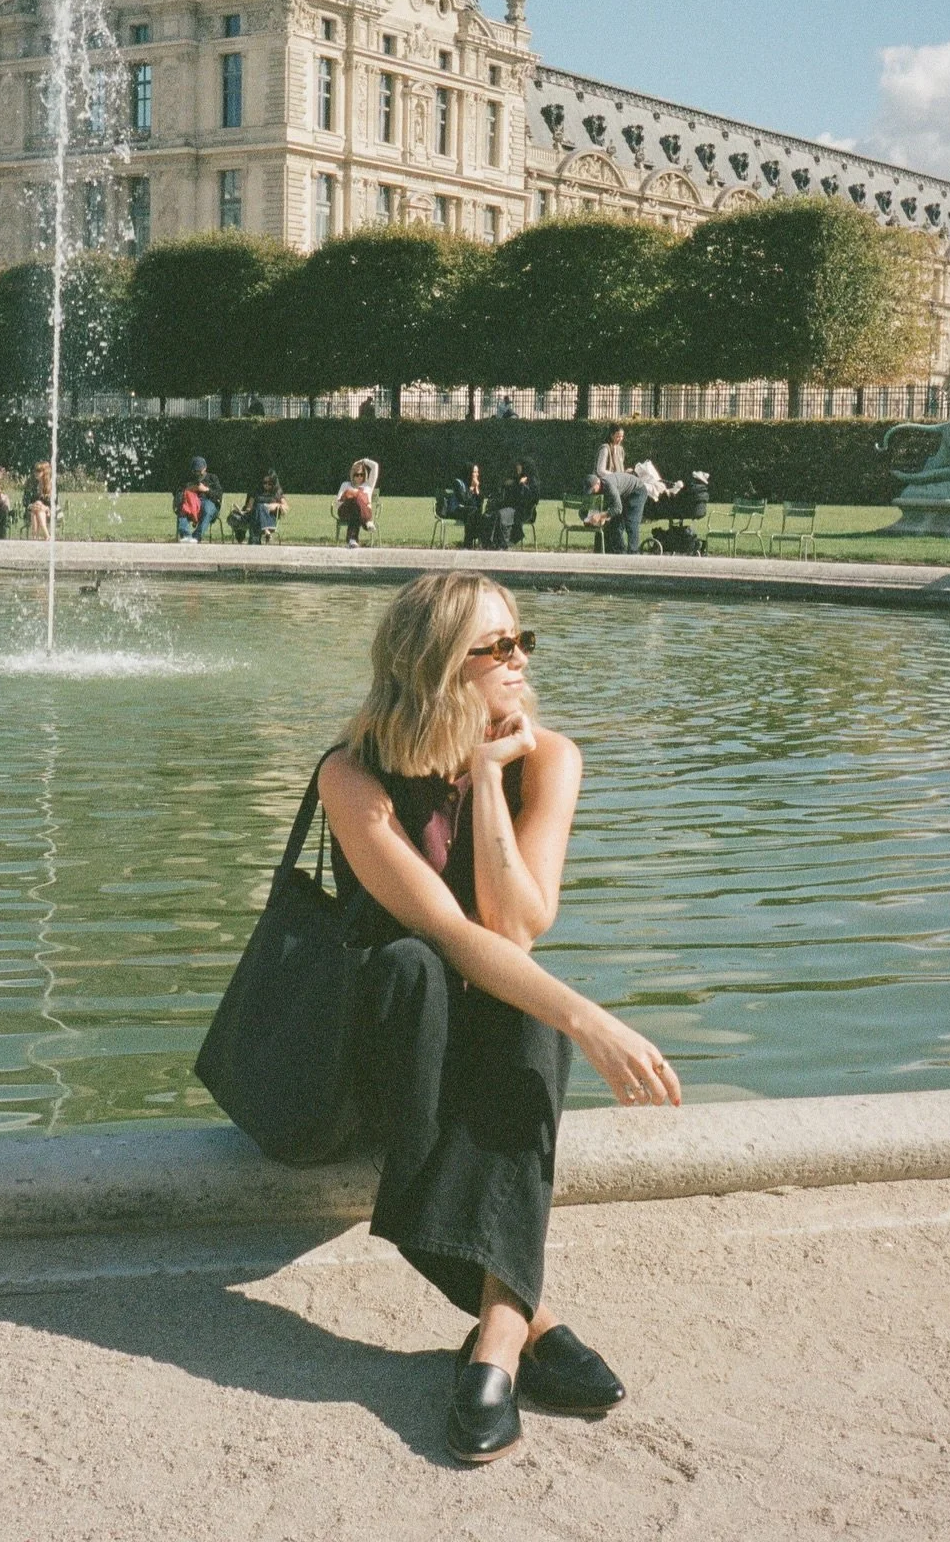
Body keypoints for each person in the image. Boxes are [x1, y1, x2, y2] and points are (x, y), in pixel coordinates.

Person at [317, 572, 680, 1465]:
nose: (520, 660)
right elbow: (442, 931)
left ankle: (498, 1345)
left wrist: (485, 781)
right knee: (419, 962)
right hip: (374, 1045)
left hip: (477, 1044)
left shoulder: (548, 759)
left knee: (528, 1006)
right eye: (497, 647)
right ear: (438, 666)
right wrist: (596, 1023)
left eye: (523, 641)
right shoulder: (352, 773)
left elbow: (514, 925)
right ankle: (534, 1328)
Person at [593, 426, 646, 555]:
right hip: (610, 485)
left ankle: (632, 550)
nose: (620, 439)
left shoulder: (621, 450)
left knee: (629, 520)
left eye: (622, 436)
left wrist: (622, 473)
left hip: (622, 487)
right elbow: (600, 470)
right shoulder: (605, 449)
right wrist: (618, 474)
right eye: (617, 436)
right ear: (611, 435)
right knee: (614, 519)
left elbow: (619, 473)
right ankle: (613, 548)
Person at [484, 456, 540, 550]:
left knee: (501, 514)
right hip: (512, 508)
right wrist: (508, 485)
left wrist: (522, 485)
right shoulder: (516, 478)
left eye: (519, 466)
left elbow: (531, 499)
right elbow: (509, 497)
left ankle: (503, 542)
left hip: (525, 511)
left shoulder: (532, 481)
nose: (517, 468)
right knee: (492, 514)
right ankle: (491, 542)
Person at [230, 469, 287, 544]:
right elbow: (249, 508)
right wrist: (243, 511)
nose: (266, 485)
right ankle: (265, 530)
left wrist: (276, 505)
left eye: (270, 483)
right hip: (254, 515)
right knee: (258, 508)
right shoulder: (256, 491)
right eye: (265, 483)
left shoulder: (277, 492)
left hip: (269, 518)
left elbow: (285, 507)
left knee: (259, 508)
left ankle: (248, 536)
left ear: (274, 483)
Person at [174, 456, 222, 541]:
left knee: (207, 508)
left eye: (199, 471)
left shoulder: (212, 478)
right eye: (194, 471)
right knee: (183, 507)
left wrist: (206, 489)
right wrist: (189, 489)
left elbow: (219, 495)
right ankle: (185, 536)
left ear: (205, 468)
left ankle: (196, 537)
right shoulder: (187, 479)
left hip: (208, 502)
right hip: (191, 505)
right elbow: (176, 492)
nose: (197, 473)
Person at [336, 457, 380, 548]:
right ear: (352, 475)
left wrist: (364, 461)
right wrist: (351, 496)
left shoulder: (368, 485)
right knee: (356, 498)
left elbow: (375, 466)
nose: (360, 477)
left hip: (360, 512)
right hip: (346, 510)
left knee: (356, 507)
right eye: (357, 474)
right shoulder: (345, 485)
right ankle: (367, 522)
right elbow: (338, 501)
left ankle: (352, 540)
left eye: (362, 474)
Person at [23, 461, 53, 541]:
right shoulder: (30, 484)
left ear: (45, 472)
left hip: (48, 511)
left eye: (39, 471)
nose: (36, 473)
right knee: (36, 509)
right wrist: (31, 505)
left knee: (38, 508)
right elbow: (25, 500)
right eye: (35, 470)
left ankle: (34, 536)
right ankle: (46, 535)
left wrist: (45, 507)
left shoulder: (51, 485)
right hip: (32, 510)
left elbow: (54, 502)